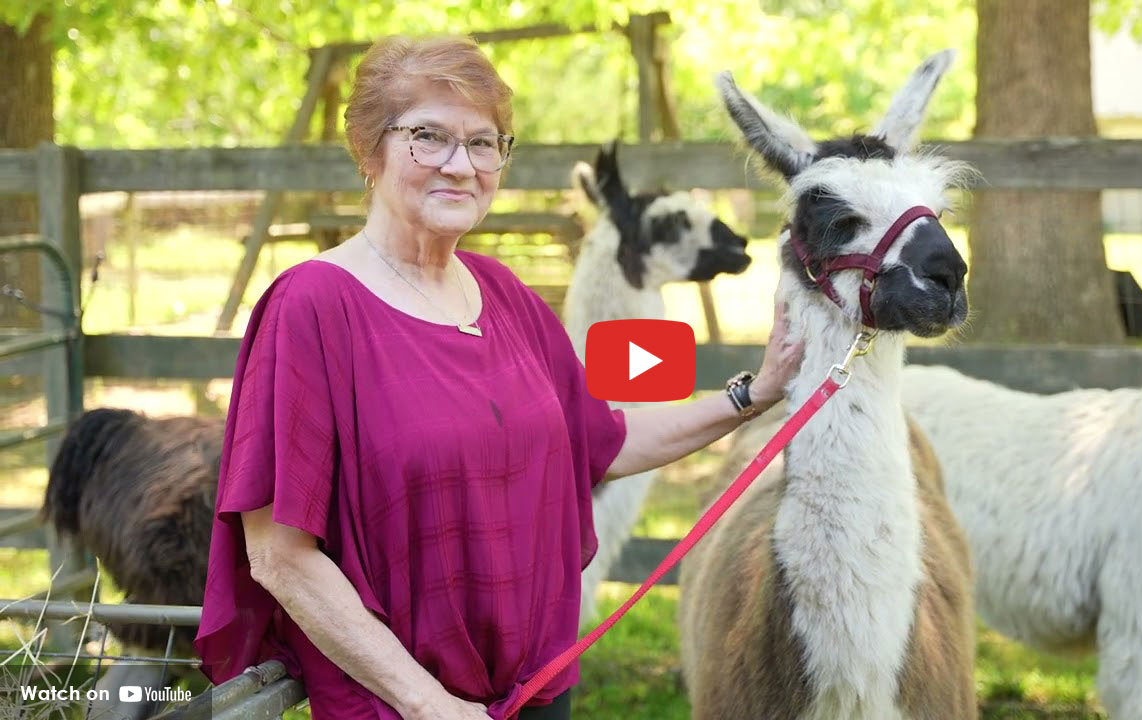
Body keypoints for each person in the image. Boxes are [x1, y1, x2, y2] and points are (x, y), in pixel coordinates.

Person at [194, 34, 802, 720]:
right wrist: (428, 703)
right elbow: (279, 555)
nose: (462, 166)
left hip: (537, 690)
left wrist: (757, 392)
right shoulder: (312, 309)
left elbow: (605, 441)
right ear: (370, 150)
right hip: (407, 708)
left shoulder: (504, 296)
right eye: (429, 137)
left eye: (485, 144)